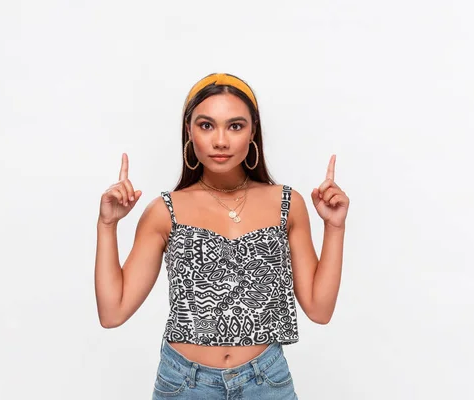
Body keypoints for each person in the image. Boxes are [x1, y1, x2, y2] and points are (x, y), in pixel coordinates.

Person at [94, 73, 350, 399]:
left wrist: (335, 227)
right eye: (206, 125)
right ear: (189, 130)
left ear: (252, 131)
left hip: (266, 381)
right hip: (186, 384)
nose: (220, 141)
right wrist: (107, 226)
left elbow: (319, 309)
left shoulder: (288, 204)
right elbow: (112, 312)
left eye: (235, 126)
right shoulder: (164, 211)